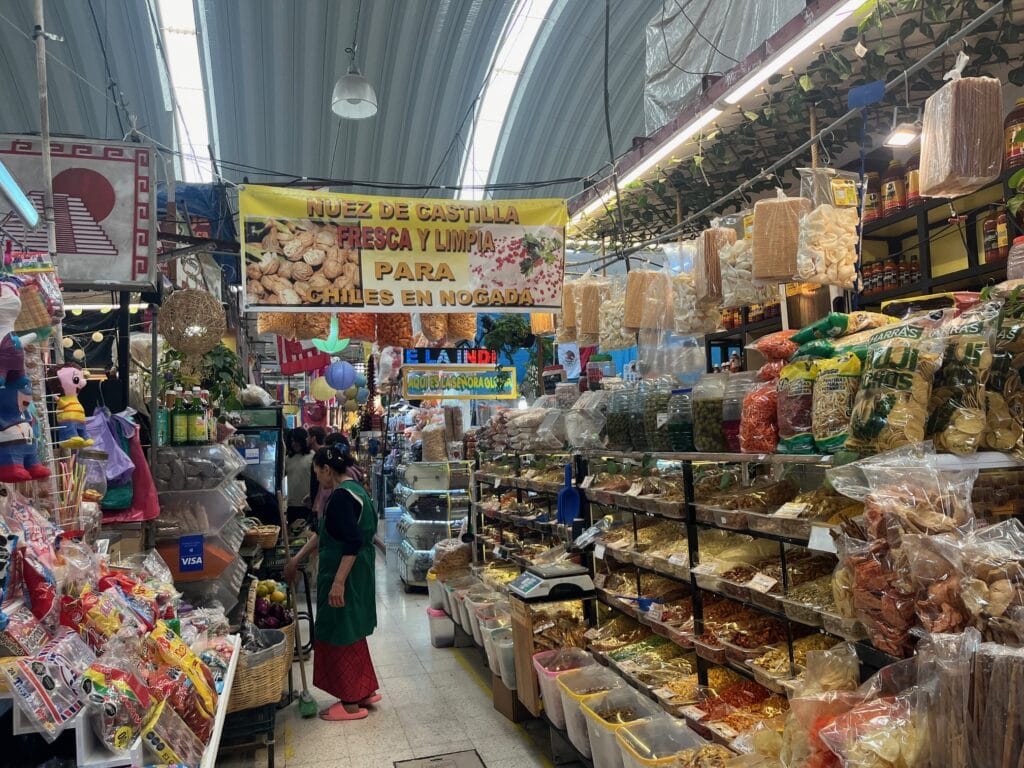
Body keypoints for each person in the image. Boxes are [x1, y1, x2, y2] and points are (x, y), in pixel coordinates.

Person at [285, 447, 379, 721]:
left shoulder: (340, 497)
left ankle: (350, 702)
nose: (318, 479)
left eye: (317, 473)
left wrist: (338, 582)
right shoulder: (356, 490)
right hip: (358, 571)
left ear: (327, 469)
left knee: (340, 631)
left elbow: (351, 541)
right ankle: (364, 689)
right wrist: (297, 559)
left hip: (344, 571)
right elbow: (325, 533)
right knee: (352, 630)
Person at [284, 428, 313, 524]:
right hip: (292, 505)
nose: (294, 444)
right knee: (293, 535)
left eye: (297, 441)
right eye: (292, 441)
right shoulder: (287, 459)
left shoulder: (313, 457)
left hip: (308, 505)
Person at [306, 426, 327, 507]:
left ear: (313, 438)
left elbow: (322, 482)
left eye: (308, 436)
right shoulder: (319, 454)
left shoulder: (321, 455)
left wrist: (317, 502)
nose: (306, 439)